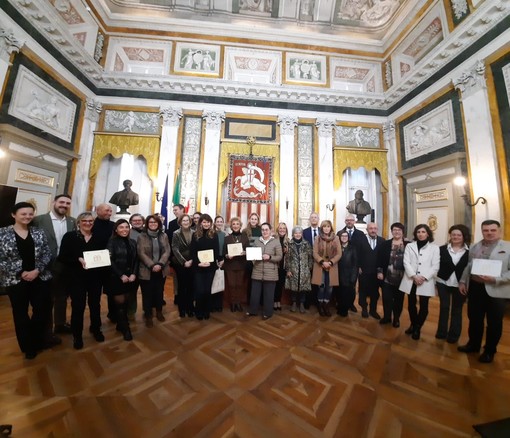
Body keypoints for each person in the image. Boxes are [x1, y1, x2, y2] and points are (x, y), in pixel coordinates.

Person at [0, 202, 52, 359]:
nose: (27, 216)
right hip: (15, 280)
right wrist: (21, 272)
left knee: (41, 311)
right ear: (14, 215)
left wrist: (37, 270)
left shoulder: (38, 232)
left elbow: (47, 253)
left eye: (30, 214)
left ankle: (37, 341)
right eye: (24, 214)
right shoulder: (2, 233)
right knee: (20, 313)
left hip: (39, 277)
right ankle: (27, 346)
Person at [458, 220, 510, 363]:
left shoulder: (508, 247)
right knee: (474, 319)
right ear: (482, 231)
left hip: (496, 290)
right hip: (475, 288)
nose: (489, 233)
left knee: (494, 322)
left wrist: (495, 279)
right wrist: (463, 281)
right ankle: (473, 345)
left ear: (499, 231)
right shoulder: (475, 246)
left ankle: (489, 351)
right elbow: (469, 266)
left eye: (493, 230)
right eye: (486, 230)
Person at [59, 212, 105, 350]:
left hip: (95, 278)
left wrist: (106, 256)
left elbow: (103, 255)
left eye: (91, 221)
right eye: (84, 221)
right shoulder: (70, 237)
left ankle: (96, 329)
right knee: (78, 307)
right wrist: (77, 259)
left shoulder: (99, 237)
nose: (88, 223)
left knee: (95, 305)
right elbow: (62, 257)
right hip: (76, 278)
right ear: (78, 222)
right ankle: (77, 335)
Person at [32, 194, 75, 338]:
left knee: (62, 297)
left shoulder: (72, 221)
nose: (64, 205)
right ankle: (45, 330)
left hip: (64, 266)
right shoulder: (39, 220)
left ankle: (60, 324)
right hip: (44, 266)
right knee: (44, 299)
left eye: (67, 203)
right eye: (61, 202)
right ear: (54, 202)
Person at [399, 224, 439, 340]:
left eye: (423, 232)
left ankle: (417, 327)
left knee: (424, 306)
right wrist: (414, 276)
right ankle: (413, 324)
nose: (420, 234)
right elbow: (406, 262)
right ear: (415, 234)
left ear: (428, 234)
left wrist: (424, 277)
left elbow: (435, 266)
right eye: (418, 232)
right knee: (411, 305)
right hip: (411, 279)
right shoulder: (410, 246)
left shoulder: (434, 248)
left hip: (425, 281)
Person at [435, 224, 470, 343]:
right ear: (450, 235)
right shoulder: (441, 249)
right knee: (444, 307)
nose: (455, 237)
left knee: (457, 309)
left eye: (458, 235)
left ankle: (454, 335)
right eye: (453, 234)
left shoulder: (470, 251)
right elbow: (435, 265)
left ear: (463, 236)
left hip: (461, 285)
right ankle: (441, 332)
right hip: (443, 282)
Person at [107, 219, 138, 341]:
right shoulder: (111, 242)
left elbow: (136, 259)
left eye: (126, 227)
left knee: (126, 303)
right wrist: (121, 275)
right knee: (120, 304)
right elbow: (109, 261)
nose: (124, 230)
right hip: (116, 278)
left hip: (130, 278)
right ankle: (126, 330)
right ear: (116, 230)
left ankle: (120, 325)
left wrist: (134, 274)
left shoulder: (133, 242)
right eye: (121, 227)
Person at [137, 215, 171, 327]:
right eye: (150, 222)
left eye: (155, 222)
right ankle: (148, 315)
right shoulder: (142, 236)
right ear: (147, 223)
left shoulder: (164, 235)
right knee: (147, 294)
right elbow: (141, 253)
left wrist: (160, 264)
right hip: (147, 270)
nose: (153, 224)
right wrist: (152, 265)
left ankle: (159, 311)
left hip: (161, 269)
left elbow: (167, 251)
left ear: (159, 224)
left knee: (159, 292)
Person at [246, 222, 283, 320]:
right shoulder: (257, 241)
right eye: (262, 230)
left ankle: (268, 313)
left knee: (269, 295)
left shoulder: (276, 242)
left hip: (271, 272)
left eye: (266, 229)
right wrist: (252, 257)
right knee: (254, 293)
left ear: (270, 230)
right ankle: (253, 311)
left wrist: (270, 257)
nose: (264, 231)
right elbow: (253, 254)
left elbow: (279, 256)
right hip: (257, 270)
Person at [376, 222, 407, 327]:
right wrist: (379, 272)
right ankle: (387, 317)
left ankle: (396, 318)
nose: (397, 232)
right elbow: (379, 259)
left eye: (399, 230)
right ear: (392, 231)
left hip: (402, 278)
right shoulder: (385, 244)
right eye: (394, 230)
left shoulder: (408, 245)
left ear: (402, 232)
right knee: (387, 299)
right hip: (387, 278)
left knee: (399, 300)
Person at [191, 214, 220, 320]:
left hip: (210, 267)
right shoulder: (195, 235)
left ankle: (206, 311)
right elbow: (192, 252)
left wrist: (210, 263)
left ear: (211, 223)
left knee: (207, 290)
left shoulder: (214, 234)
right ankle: (198, 311)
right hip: (198, 267)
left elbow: (216, 251)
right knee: (199, 290)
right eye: (204, 222)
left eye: (208, 222)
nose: (206, 224)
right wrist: (198, 262)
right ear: (200, 223)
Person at [312, 220, 341, 317]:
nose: (326, 228)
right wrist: (322, 262)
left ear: (331, 227)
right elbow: (314, 252)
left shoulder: (336, 238)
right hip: (320, 266)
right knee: (321, 287)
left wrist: (330, 262)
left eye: (328, 226)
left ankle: (326, 305)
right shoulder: (317, 238)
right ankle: (320, 305)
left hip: (332, 266)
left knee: (329, 288)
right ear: (321, 228)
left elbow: (339, 253)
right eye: (324, 226)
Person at [92, 203, 116, 323]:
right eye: (107, 210)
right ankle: (95, 322)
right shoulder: (90, 224)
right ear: (98, 210)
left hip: (111, 266)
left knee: (112, 292)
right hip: (94, 265)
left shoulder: (113, 226)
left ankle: (113, 315)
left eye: (110, 211)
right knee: (95, 295)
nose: (109, 213)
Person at [337, 214, 365, 313]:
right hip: (340, 268)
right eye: (347, 220)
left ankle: (351, 304)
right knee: (341, 288)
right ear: (345, 221)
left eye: (351, 220)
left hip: (353, 266)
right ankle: (341, 304)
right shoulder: (339, 233)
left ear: (354, 221)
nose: (349, 222)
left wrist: (360, 266)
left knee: (352, 287)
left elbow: (362, 251)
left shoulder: (360, 234)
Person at [357, 222, 384, 319]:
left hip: (376, 272)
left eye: (375, 228)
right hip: (364, 271)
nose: (373, 230)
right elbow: (357, 254)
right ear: (367, 230)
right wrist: (358, 266)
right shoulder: (361, 240)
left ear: (377, 229)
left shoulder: (382, 241)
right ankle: (364, 308)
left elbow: (383, 257)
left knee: (375, 292)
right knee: (363, 291)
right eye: (371, 228)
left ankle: (373, 310)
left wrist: (381, 271)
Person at [223, 217, 249, 312]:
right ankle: (233, 303)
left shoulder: (245, 238)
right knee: (231, 285)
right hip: (230, 265)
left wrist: (245, 252)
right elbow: (224, 252)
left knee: (239, 285)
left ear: (240, 226)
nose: (235, 226)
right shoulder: (227, 238)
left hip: (241, 265)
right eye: (233, 224)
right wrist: (227, 255)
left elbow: (248, 251)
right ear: (231, 226)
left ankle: (238, 303)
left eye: (237, 224)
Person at [172, 214, 195, 317]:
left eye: (187, 220)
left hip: (192, 263)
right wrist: (183, 261)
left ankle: (190, 307)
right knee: (182, 287)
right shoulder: (176, 233)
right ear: (180, 222)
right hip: (180, 264)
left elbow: (195, 248)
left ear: (190, 222)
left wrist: (191, 260)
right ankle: (182, 308)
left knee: (190, 287)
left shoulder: (194, 233)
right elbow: (175, 249)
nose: (185, 222)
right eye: (183, 220)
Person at [285, 226, 313, 313]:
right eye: (296, 233)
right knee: (293, 287)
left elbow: (310, 257)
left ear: (302, 234)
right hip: (293, 269)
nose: (298, 235)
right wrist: (288, 270)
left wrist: (309, 268)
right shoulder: (289, 244)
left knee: (303, 288)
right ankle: (293, 303)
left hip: (304, 270)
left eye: (299, 233)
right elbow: (287, 258)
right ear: (293, 234)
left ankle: (301, 304)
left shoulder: (307, 244)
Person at [335, 230, 358, 317]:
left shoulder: (352, 248)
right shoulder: (337, 248)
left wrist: (353, 277)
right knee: (339, 293)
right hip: (337, 274)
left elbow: (355, 264)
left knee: (346, 294)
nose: (344, 237)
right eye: (342, 236)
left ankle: (344, 310)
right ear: (339, 237)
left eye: (346, 236)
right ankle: (339, 307)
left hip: (348, 275)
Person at [127, 213, 144, 320]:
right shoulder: (127, 233)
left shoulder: (148, 232)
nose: (137, 222)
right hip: (133, 267)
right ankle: (131, 311)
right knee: (132, 291)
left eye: (139, 220)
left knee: (147, 290)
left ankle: (148, 310)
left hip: (146, 266)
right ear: (131, 222)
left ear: (143, 221)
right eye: (134, 220)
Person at [303, 212, 320, 309]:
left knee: (318, 281)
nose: (314, 219)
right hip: (308, 260)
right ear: (309, 220)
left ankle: (317, 301)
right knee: (308, 281)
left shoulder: (323, 231)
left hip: (320, 261)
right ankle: (307, 302)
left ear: (318, 219)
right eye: (312, 217)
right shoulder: (304, 232)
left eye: (315, 217)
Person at [274, 222, 289, 312]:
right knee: (274, 285)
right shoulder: (273, 239)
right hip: (274, 266)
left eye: (284, 228)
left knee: (280, 285)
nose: (282, 230)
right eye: (280, 228)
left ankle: (278, 301)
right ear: (277, 229)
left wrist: (288, 251)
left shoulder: (288, 240)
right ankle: (273, 301)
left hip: (283, 266)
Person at [212, 215, 226, 312]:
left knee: (220, 282)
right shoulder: (211, 234)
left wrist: (223, 260)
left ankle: (218, 305)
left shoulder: (225, 235)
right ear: (215, 223)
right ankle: (212, 304)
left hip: (222, 259)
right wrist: (215, 260)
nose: (220, 223)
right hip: (213, 259)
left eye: (221, 221)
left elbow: (226, 248)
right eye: (218, 221)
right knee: (212, 282)